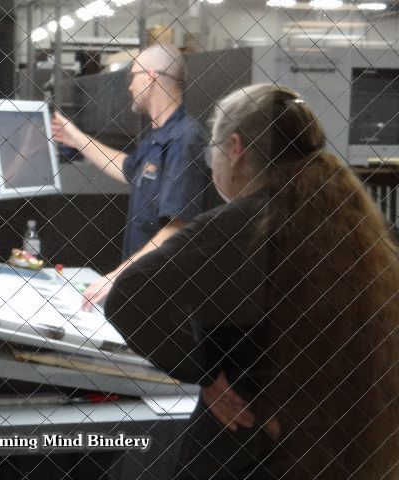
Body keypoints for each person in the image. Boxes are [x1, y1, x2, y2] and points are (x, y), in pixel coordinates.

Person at [105, 84, 399, 479]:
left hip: (243, 443)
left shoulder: (238, 225)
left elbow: (129, 296)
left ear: (236, 148)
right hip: (348, 440)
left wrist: (203, 371)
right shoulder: (352, 221)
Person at [51, 43, 212, 309]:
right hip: (141, 283)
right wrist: (76, 138)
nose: (129, 87)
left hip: (163, 293)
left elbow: (176, 227)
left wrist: (115, 277)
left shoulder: (185, 140)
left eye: (133, 76)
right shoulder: (156, 137)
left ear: (150, 77)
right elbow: (127, 168)